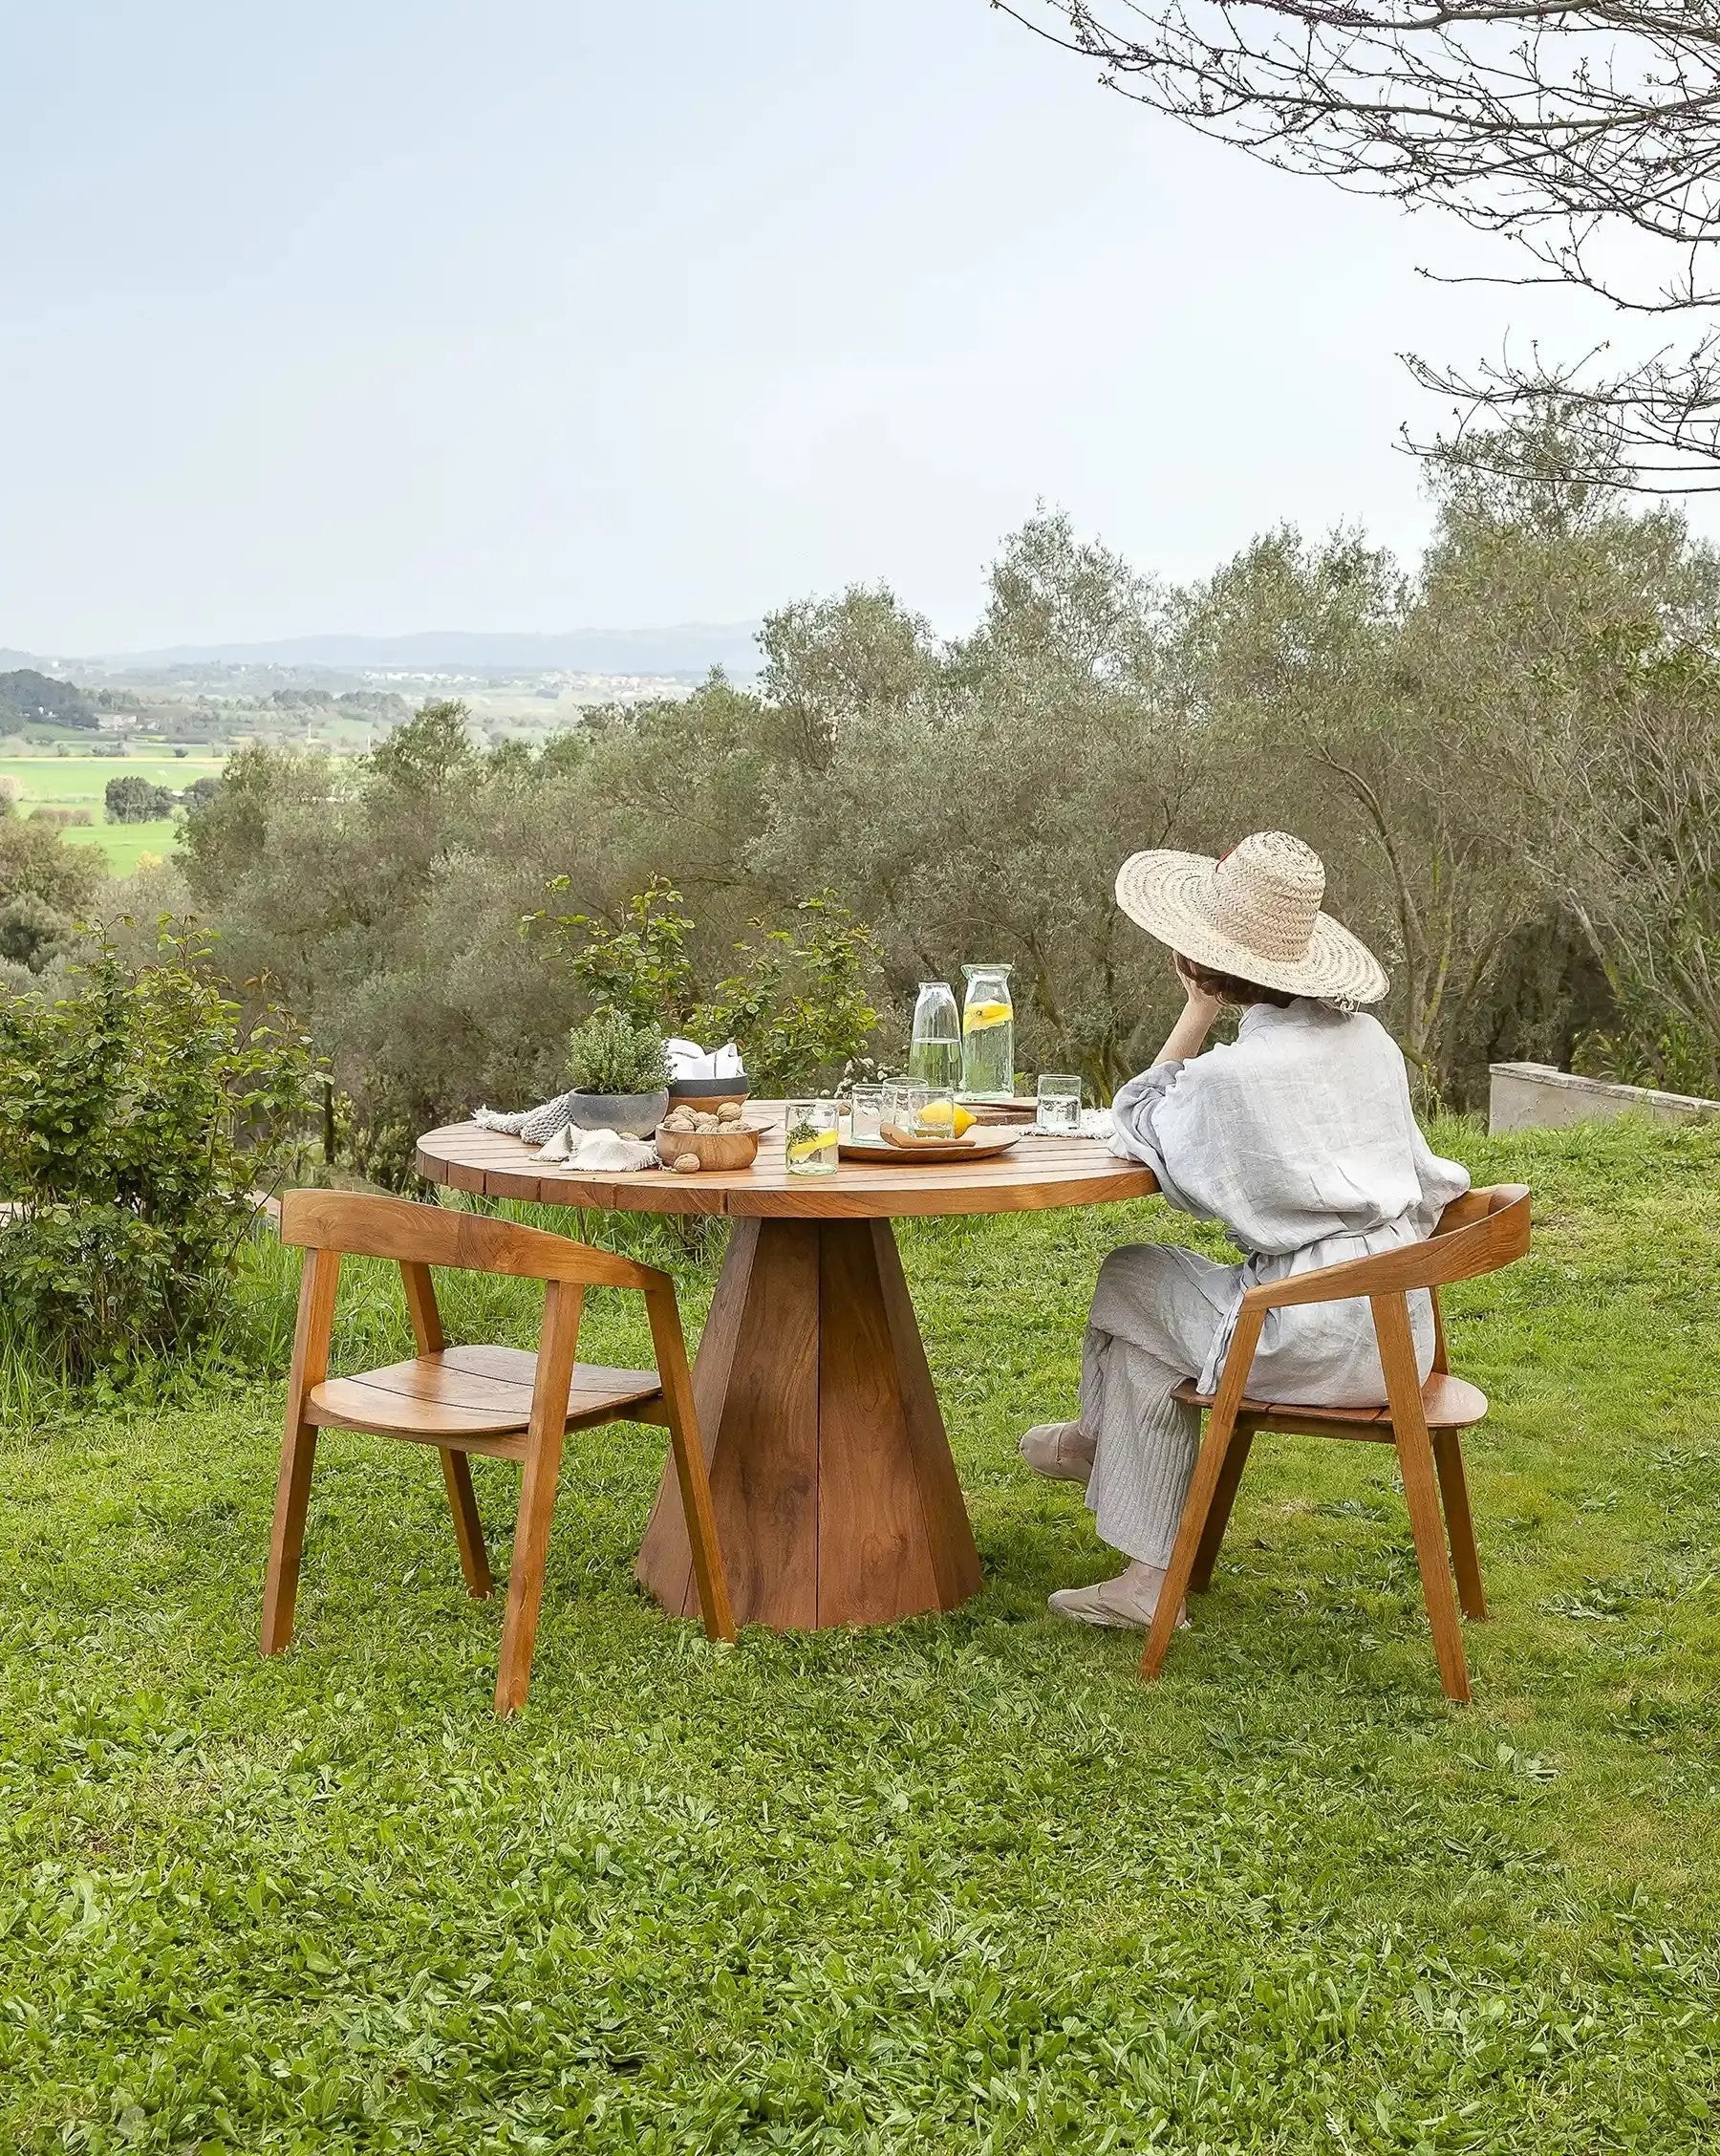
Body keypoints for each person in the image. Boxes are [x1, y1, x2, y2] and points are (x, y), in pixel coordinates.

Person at [1021, 830, 1470, 1629]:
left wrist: (1194, 1010)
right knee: (1139, 1313)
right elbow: (1428, 1181)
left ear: (1202, 960)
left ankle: (1115, 1487)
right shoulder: (1370, 1042)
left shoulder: (1237, 1078)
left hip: (1308, 1331)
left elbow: (1138, 1122)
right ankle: (1122, 1516)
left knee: (1129, 1284)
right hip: (1398, 1327)